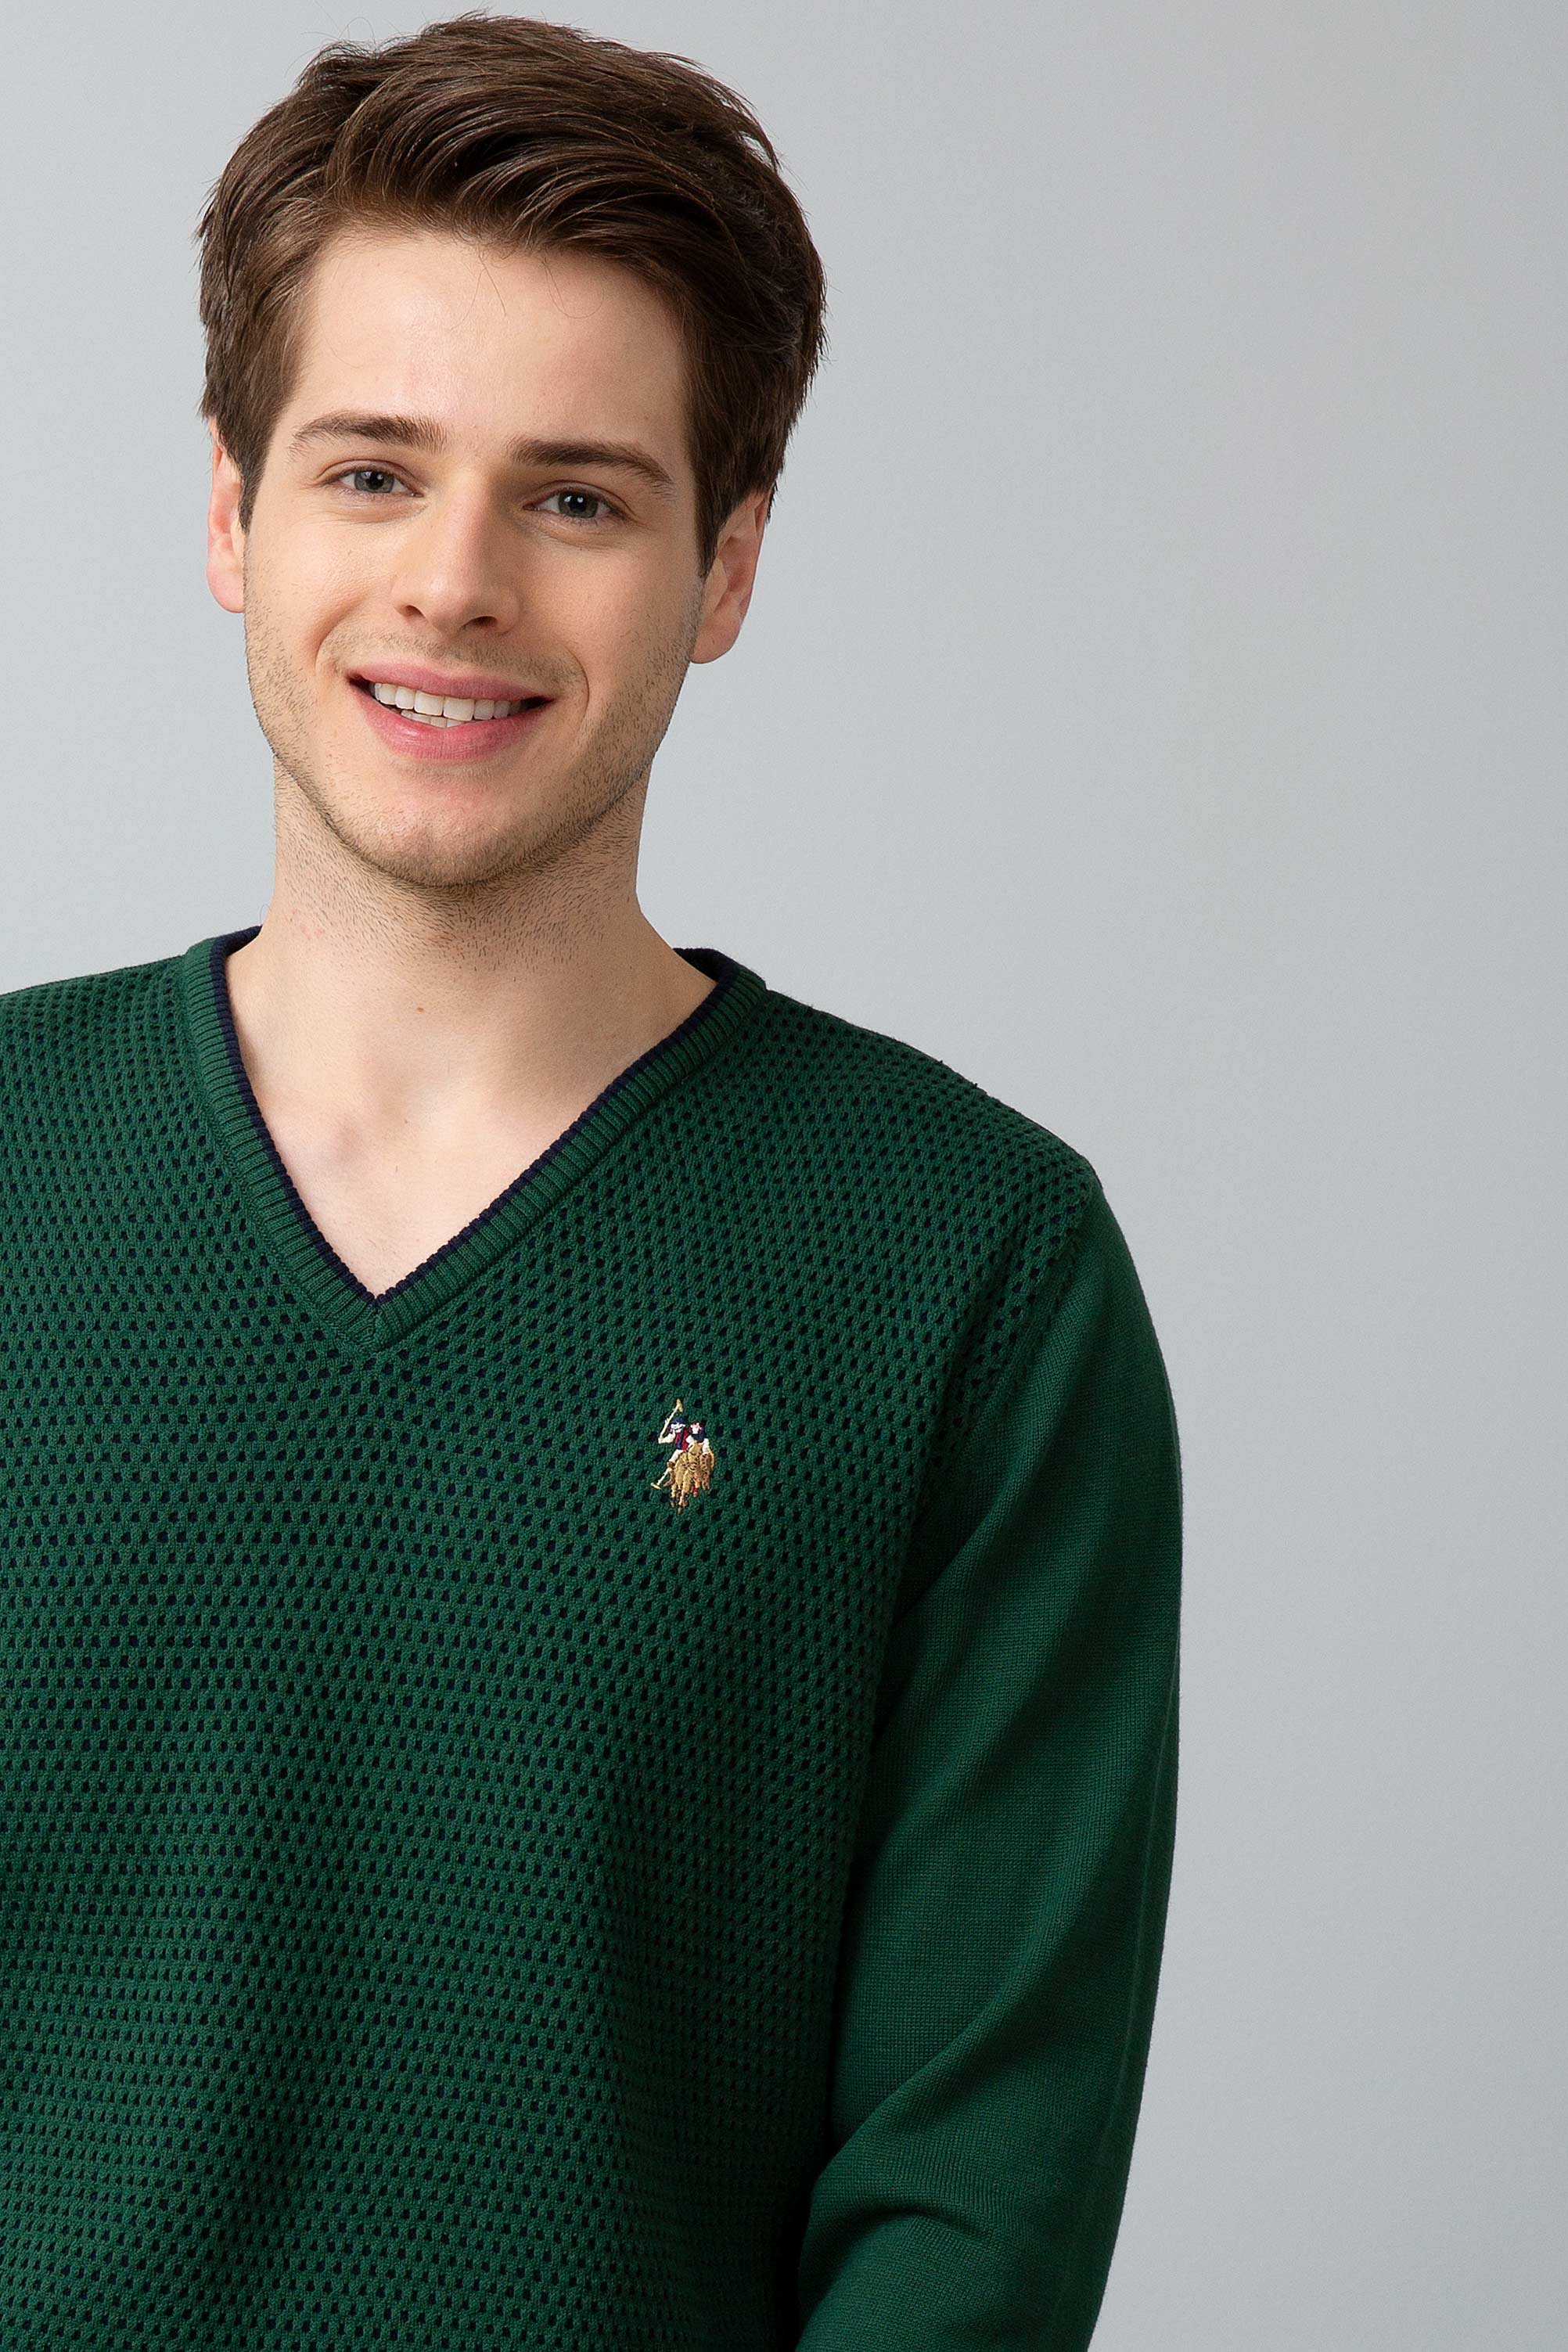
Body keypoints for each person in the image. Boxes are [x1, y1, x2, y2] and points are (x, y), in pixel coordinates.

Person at [0, 14, 1182, 2346]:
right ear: (231, 515)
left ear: (724, 567)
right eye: (371, 471)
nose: (453, 584)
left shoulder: (971, 1273)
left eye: (575, 499)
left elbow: (973, 2197)